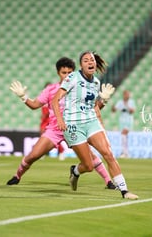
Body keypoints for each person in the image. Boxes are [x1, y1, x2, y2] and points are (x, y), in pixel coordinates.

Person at [7, 57, 116, 189]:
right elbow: (35, 105)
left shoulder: (80, 86)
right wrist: (23, 97)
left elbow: (91, 109)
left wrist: (102, 101)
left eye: (69, 72)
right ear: (58, 73)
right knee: (33, 155)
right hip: (55, 129)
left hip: (74, 127)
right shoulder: (51, 89)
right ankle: (17, 176)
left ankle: (108, 181)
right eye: (63, 72)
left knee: (90, 158)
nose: (67, 75)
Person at [52, 51, 138, 200]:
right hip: (73, 125)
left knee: (108, 154)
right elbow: (55, 100)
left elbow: (93, 107)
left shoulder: (96, 83)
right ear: (81, 65)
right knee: (88, 166)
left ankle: (124, 191)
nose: (90, 62)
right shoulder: (72, 77)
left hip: (91, 122)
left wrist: (103, 100)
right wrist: (60, 119)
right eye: (86, 60)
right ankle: (76, 171)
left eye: (91, 60)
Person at [112, 90, 135, 158]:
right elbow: (114, 110)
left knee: (124, 134)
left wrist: (127, 106)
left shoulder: (131, 102)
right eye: (126, 94)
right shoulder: (120, 102)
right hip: (122, 121)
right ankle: (125, 153)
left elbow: (132, 111)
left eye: (128, 94)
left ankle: (124, 152)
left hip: (129, 121)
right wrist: (113, 106)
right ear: (124, 95)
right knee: (124, 136)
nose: (128, 96)